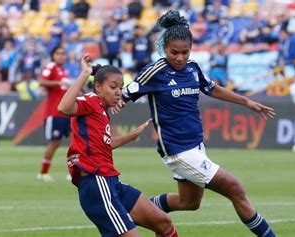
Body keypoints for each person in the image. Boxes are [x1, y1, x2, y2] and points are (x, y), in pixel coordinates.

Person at [117, 10, 276, 237]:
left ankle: (134, 211)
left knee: (188, 202)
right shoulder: (155, 72)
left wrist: (246, 101)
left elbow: (212, 88)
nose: (180, 58)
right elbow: (123, 96)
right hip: (178, 150)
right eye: (174, 53)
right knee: (235, 188)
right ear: (164, 49)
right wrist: (112, 104)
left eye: (185, 52)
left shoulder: (193, 68)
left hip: (195, 146)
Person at [57, 54, 178, 237]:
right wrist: (84, 74)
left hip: (111, 181)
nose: (118, 92)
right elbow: (63, 108)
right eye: (113, 87)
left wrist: (131, 136)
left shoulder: (101, 110)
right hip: (97, 183)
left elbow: (104, 145)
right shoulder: (91, 100)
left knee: (163, 222)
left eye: (121, 88)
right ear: (98, 87)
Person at [36, 46, 73, 182]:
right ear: (53, 55)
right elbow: (41, 82)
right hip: (54, 113)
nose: (61, 56)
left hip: (67, 113)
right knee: (55, 143)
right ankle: (43, 172)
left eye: (63, 53)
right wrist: (57, 82)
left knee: (75, 141)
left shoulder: (63, 70)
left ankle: (73, 171)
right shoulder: (51, 67)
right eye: (58, 53)